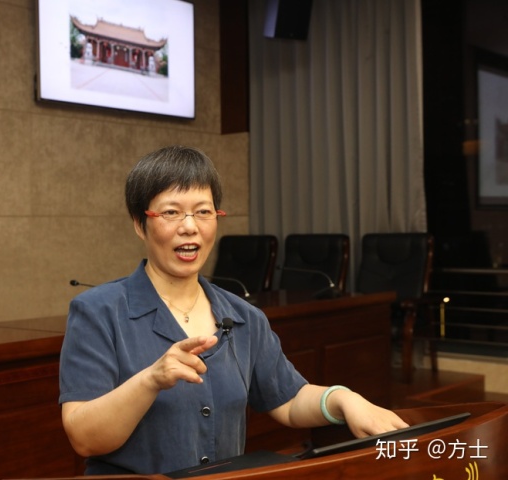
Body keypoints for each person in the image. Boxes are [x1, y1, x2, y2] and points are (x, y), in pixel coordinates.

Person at [59, 145, 409, 475]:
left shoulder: (244, 316)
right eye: (171, 212)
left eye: (203, 212)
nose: (189, 226)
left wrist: (342, 398)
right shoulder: (98, 312)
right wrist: (150, 380)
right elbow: (84, 437)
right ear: (140, 224)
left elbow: (288, 400)